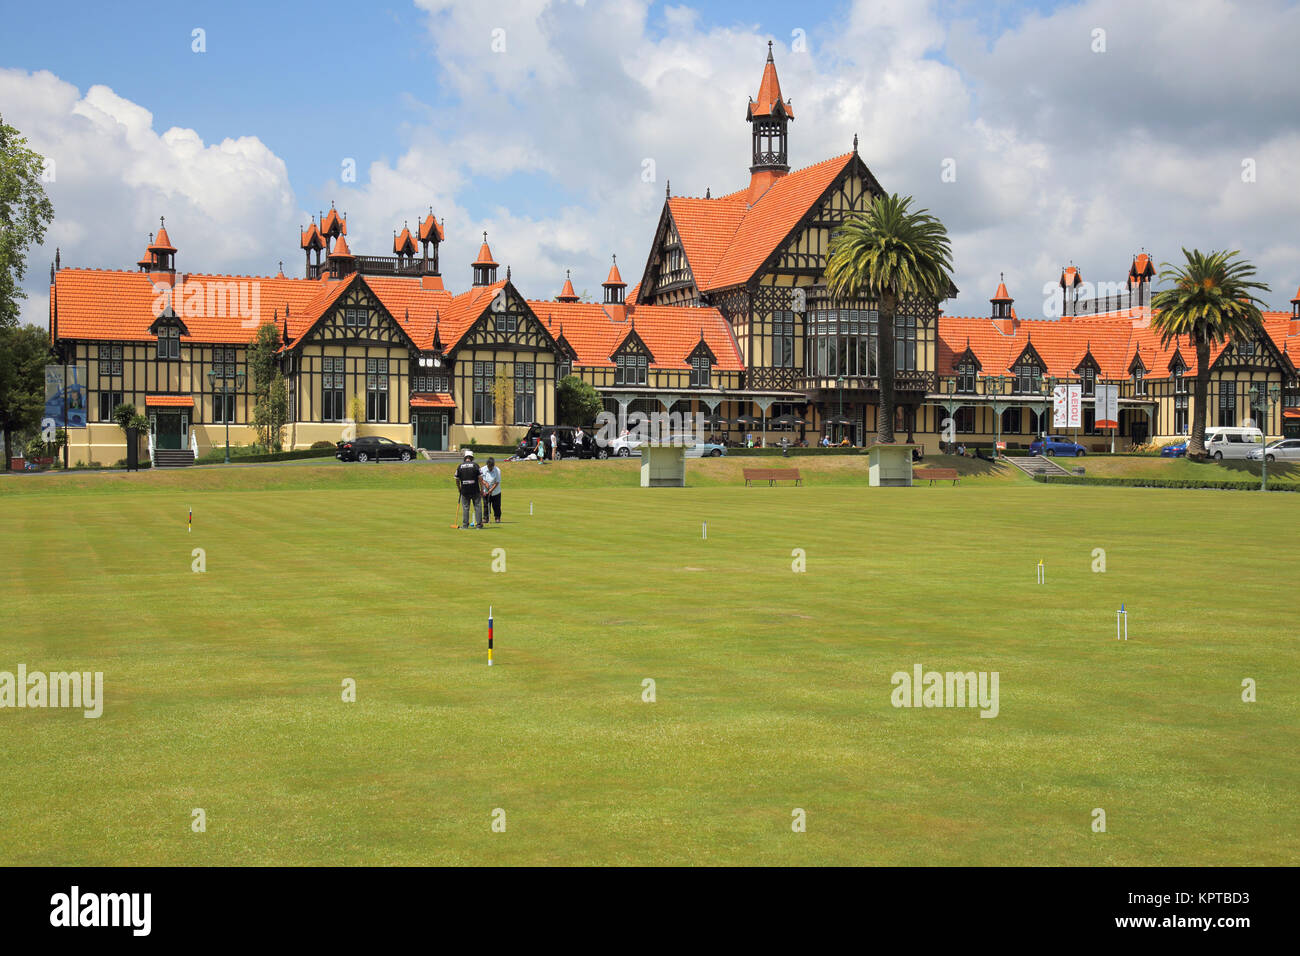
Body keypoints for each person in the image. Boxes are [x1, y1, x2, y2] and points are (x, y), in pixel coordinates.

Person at [455, 450, 484, 529]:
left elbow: (457, 479)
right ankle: (479, 525)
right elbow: (480, 478)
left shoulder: (460, 466)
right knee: (478, 507)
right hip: (475, 490)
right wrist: (482, 489)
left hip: (464, 490)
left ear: (465, 458)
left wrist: (459, 488)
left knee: (465, 508)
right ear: (472, 458)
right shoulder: (476, 465)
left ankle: (465, 525)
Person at [480, 456, 502, 525]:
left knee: (496, 505)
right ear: (487, 465)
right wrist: (485, 483)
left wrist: (491, 490)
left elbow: (497, 482)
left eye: (491, 467)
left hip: (496, 491)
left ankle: (497, 518)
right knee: (486, 505)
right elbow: (480, 479)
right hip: (485, 491)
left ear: (493, 465)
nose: (490, 468)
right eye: (489, 466)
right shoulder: (482, 469)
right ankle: (486, 518)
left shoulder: (497, 470)